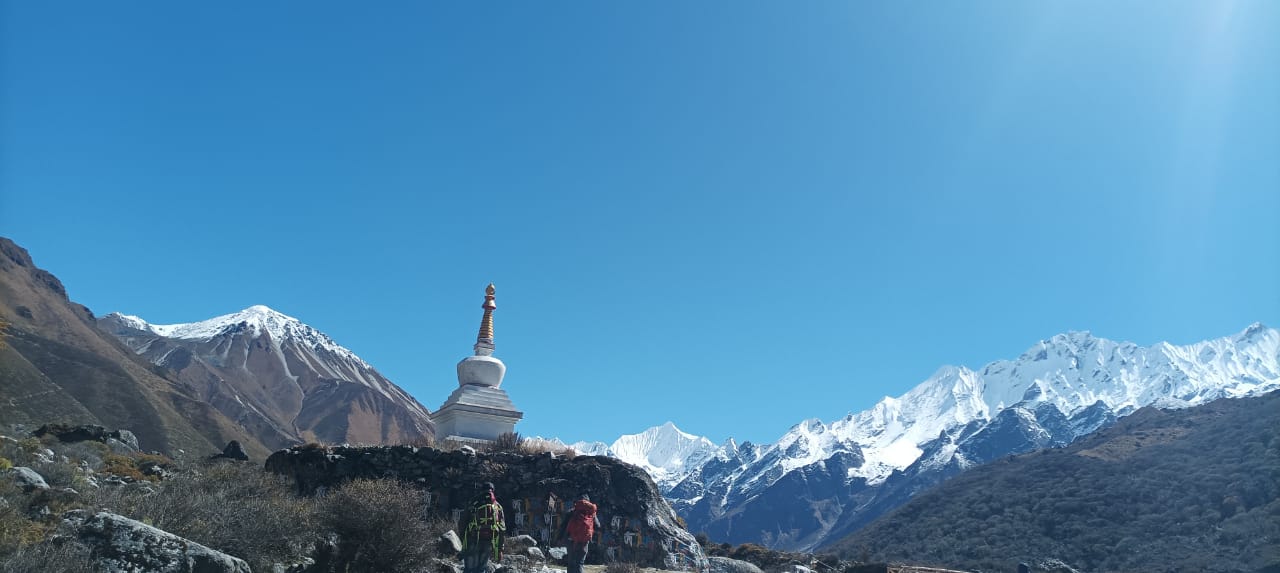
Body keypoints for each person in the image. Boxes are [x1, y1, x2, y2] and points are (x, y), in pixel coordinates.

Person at [460, 482, 506, 573]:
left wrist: (463, 540)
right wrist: (500, 549)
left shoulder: (473, 503)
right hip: (488, 541)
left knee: (469, 569)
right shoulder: (497, 506)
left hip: (472, 540)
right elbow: (502, 529)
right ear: (493, 490)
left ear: (481, 490)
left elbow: (462, 522)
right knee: (481, 569)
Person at [558, 493, 600, 573]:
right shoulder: (591, 513)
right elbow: (598, 526)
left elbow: (563, 527)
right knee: (579, 563)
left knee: (571, 563)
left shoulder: (572, 511)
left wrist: (559, 538)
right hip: (584, 541)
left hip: (571, 540)